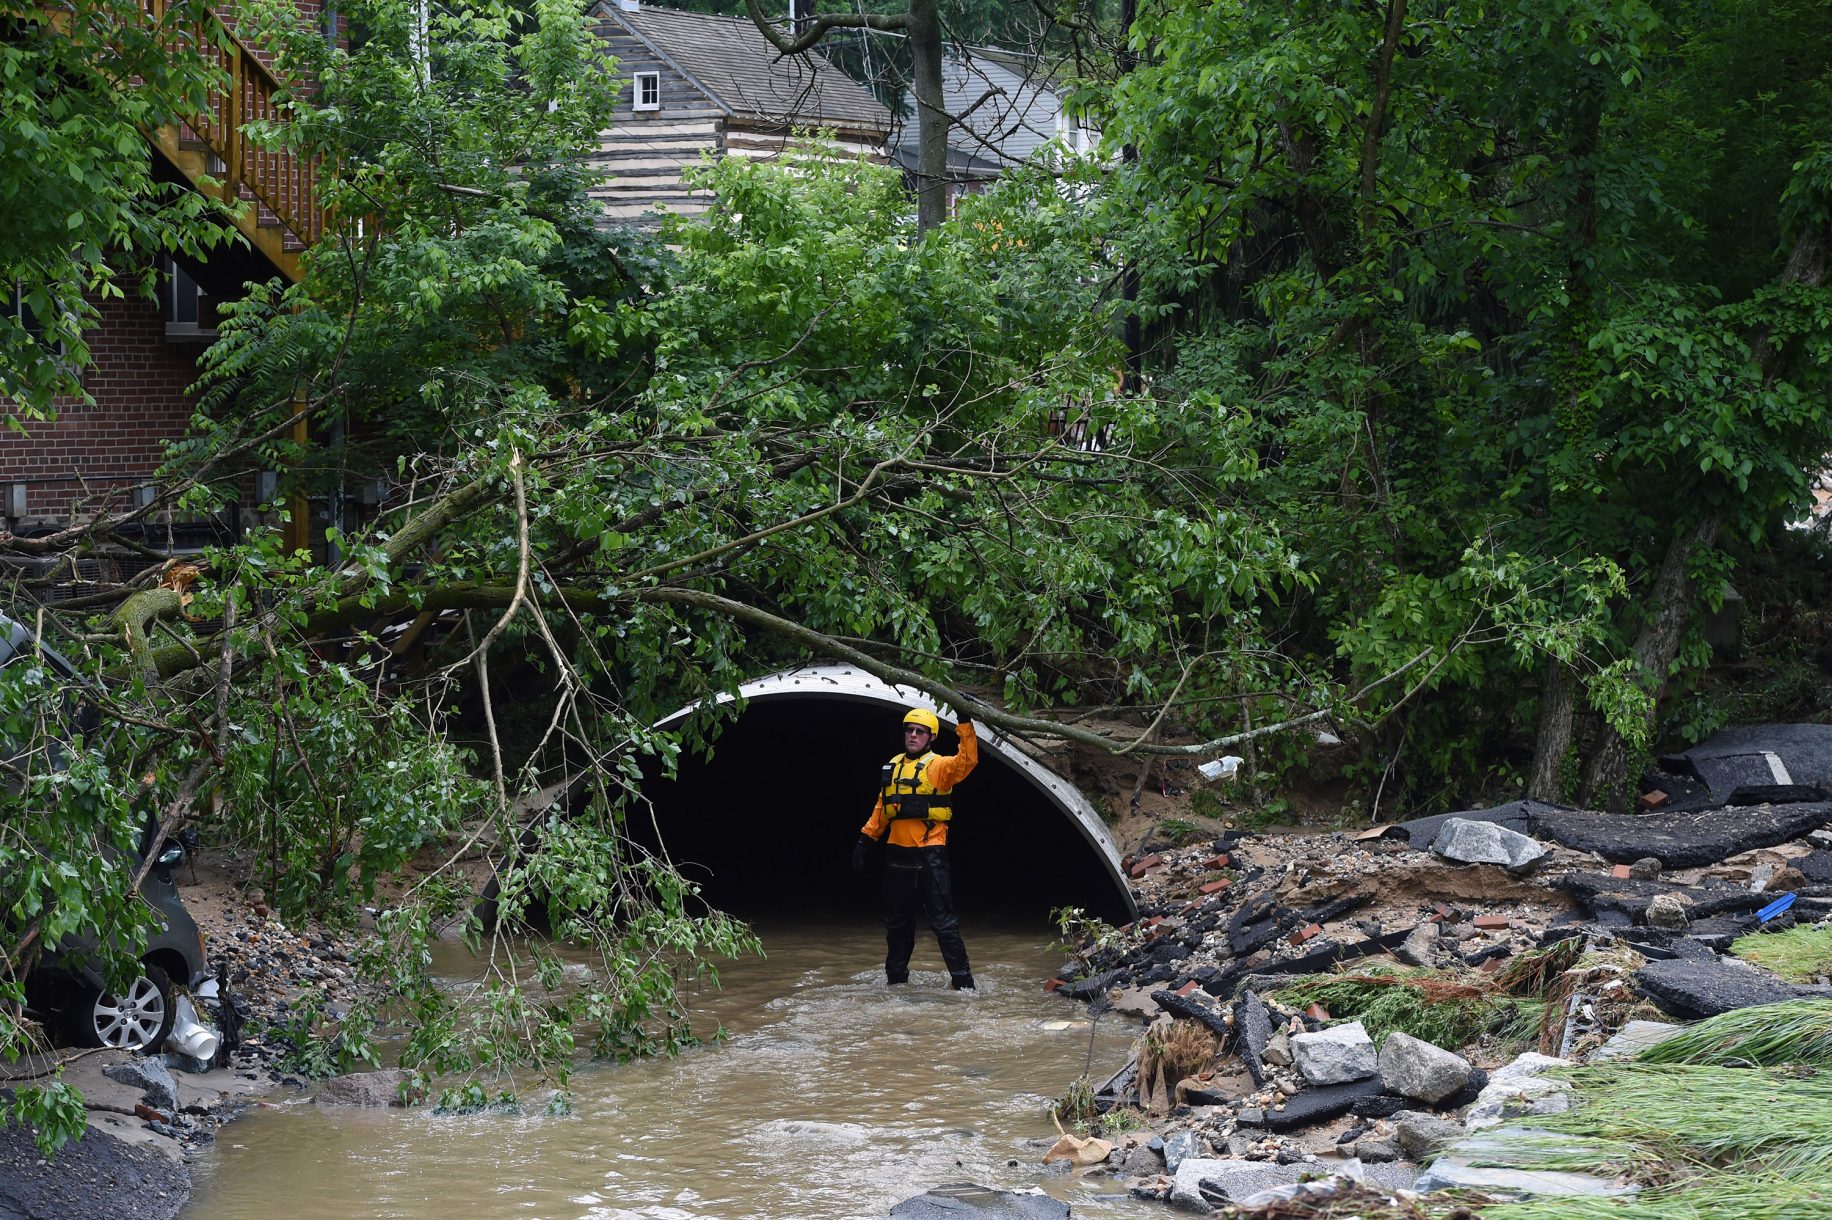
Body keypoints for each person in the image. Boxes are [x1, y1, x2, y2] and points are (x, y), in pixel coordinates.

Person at [852, 707, 978, 990]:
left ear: (931, 737)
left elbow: (967, 761)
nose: (913, 735)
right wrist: (865, 840)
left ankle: (964, 984)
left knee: (943, 923)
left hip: (930, 853)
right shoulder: (893, 765)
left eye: (920, 732)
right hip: (897, 854)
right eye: (909, 730)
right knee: (897, 924)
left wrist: (965, 724)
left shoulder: (939, 767)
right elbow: (882, 809)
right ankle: (896, 982)